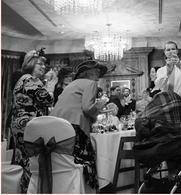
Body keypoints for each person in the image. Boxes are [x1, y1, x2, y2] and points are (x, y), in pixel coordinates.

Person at [50, 60, 108, 191]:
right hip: (74, 127)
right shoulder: (91, 83)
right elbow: (87, 108)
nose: (98, 75)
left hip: (56, 126)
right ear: (89, 73)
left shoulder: (72, 84)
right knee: (88, 159)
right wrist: (100, 105)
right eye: (97, 72)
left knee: (64, 162)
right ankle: (89, 189)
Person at [10, 50, 54, 193]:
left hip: (20, 124)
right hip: (28, 125)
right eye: (39, 64)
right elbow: (47, 99)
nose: (43, 67)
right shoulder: (30, 79)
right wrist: (52, 84)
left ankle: (25, 190)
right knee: (32, 162)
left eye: (44, 64)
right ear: (30, 64)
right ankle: (30, 190)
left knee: (24, 161)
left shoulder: (23, 79)